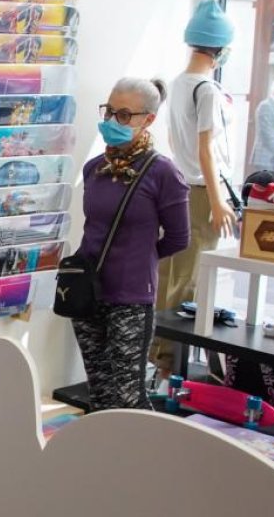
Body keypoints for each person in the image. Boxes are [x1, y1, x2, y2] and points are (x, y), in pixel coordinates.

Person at [75, 78, 190, 410]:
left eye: (124, 115)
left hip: (131, 299)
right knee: (99, 392)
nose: (113, 121)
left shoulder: (163, 173)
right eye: (110, 111)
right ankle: (101, 459)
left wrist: (141, 259)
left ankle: (142, 460)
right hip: (88, 293)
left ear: (148, 119)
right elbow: (93, 227)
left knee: (128, 397)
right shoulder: (95, 168)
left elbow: (179, 238)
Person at [152, 0, 239, 376]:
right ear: (221, 49)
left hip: (180, 187)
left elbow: (174, 140)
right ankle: (171, 368)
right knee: (189, 283)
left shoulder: (177, 84)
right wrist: (218, 203)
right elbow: (207, 150)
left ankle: (160, 361)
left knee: (172, 275)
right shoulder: (207, 91)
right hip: (202, 193)